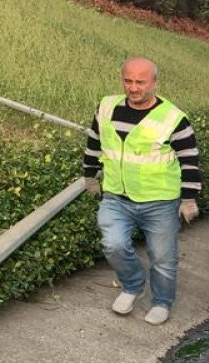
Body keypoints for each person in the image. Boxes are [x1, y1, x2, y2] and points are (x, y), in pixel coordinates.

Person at [82, 57, 201, 326]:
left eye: (140, 82)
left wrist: (189, 198)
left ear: (155, 83)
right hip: (116, 196)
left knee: (162, 257)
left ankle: (161, 302)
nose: (134, 88)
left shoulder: (174, 118)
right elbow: (93, 143)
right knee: (113, 244)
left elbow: (190, 159)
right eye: (128, 81)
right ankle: (133, 285)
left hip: (159, 201)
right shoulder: (106, 106)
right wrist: (90, 177)